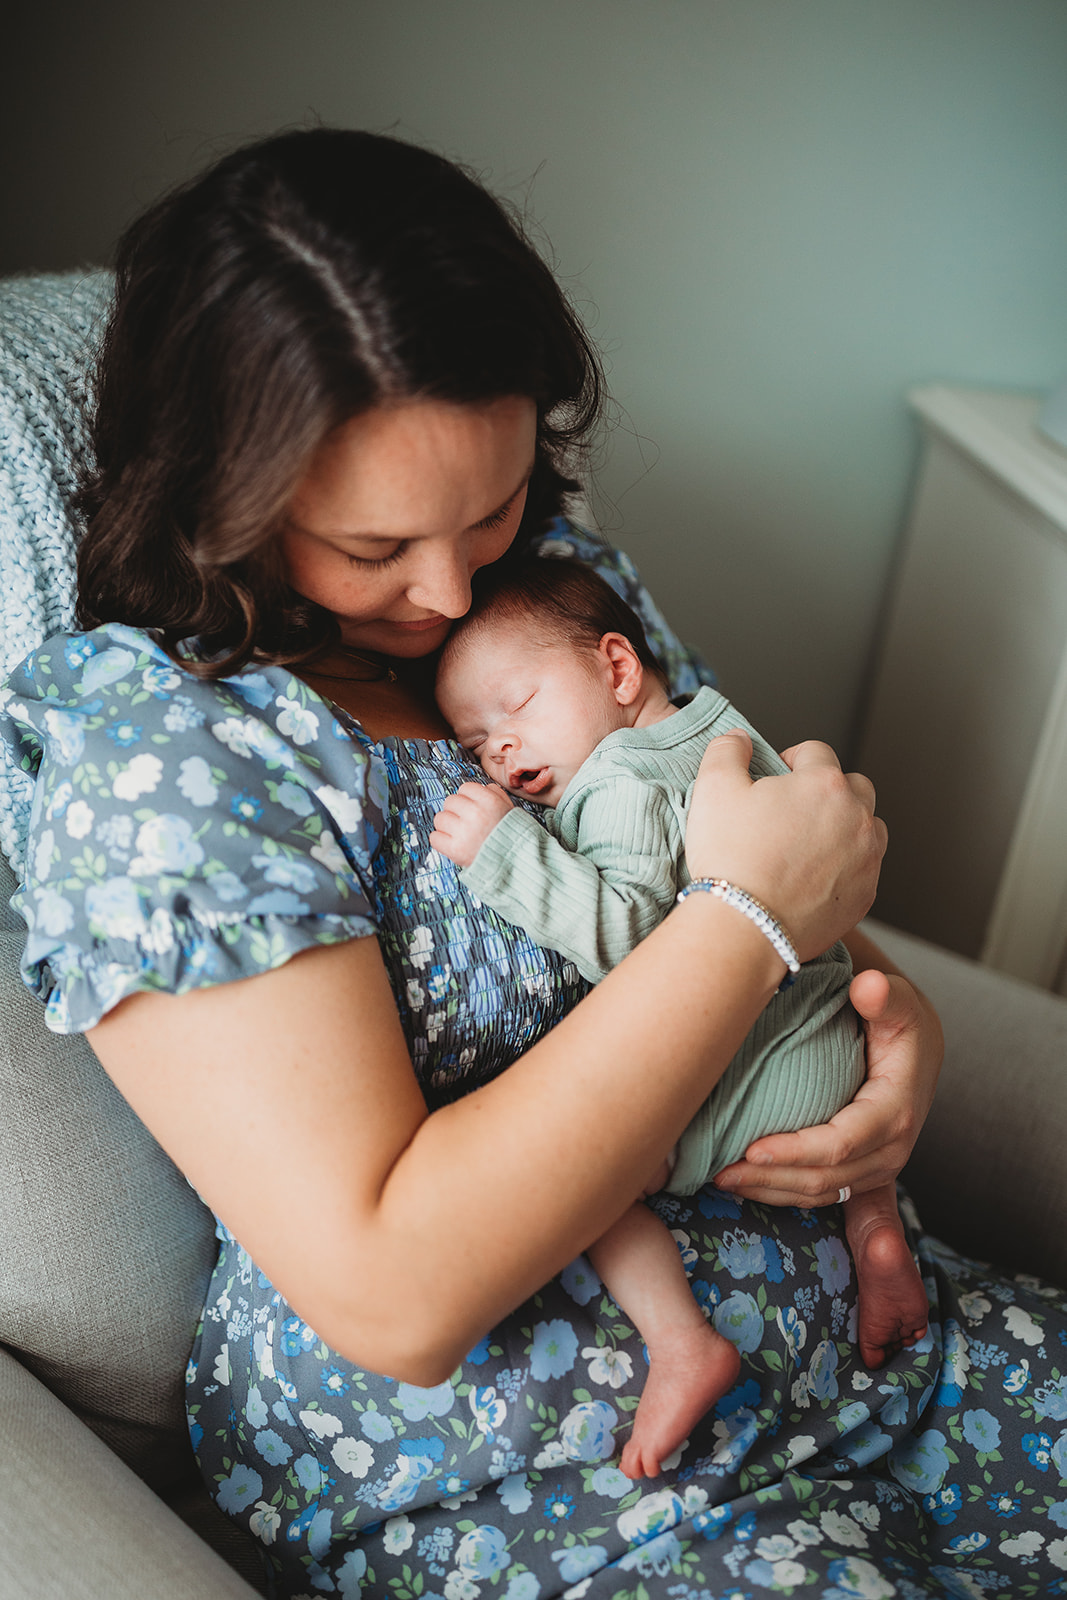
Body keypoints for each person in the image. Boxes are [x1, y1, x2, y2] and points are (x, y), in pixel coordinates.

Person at [2, 128, 1062, 1600]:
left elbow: (765, 868)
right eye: (374, 546)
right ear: (216, 495)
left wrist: (897, 1039)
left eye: (489, 506)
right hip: (561, 1468)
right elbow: (392, 1288)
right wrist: (750, 920)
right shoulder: (173, 755)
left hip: (881, 1351)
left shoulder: (555, 594)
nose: (446, 593)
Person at [430, 558, 929, 1481]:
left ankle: (682, 1341)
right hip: (839, 1044)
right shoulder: (718, 729)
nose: (498, 752)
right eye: (474, 746)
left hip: (760, 1065)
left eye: (516, 709)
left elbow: (641, 948)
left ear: (618, 669)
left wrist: (504, 855)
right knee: (845, 1150)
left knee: (589, 1177)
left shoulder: (618, 784)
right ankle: (872, 1231)